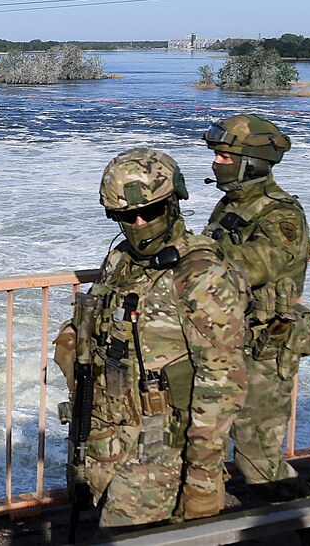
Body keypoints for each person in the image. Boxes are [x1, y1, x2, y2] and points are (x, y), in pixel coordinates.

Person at [54, 148, 247, 534]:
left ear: (174, 201)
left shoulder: (201, 273)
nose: (139, 222)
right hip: (110, 436)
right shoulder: (121, 262)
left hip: (162, 450)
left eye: (151, 212)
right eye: (126, 216)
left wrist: (204, 479)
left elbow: (221, 383)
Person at [201, 114, 310, 505]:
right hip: (226, 343)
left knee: (258, 459)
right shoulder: (231, 204)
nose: (216, 163)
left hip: (265, 350)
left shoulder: (280, 214)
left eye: (223, 156)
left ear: (251, 162)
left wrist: (193, 256)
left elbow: (254, 265)